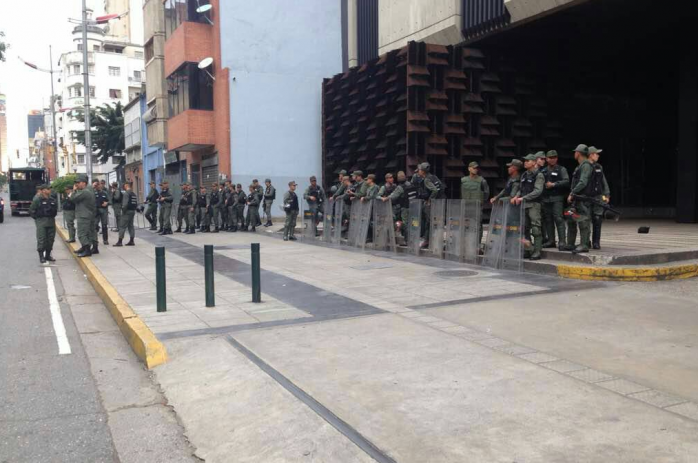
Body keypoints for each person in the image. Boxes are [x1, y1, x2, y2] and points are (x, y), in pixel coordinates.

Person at [512, 154, 545, 260]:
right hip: (524, 205)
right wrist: (517, 196)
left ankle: (537, 251)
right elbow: (520, 189)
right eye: (525, 161)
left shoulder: (538, 175)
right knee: (525, 228)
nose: (525, 162)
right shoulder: (524, 175)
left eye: (528, 161)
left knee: (536, 228)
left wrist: (523, 198)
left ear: (534, 163)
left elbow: (538, 191)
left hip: (534, 205)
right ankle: (527, 250)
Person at [564, 144, 594, 254]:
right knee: (571, 219)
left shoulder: (585, 165)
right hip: (578, 198)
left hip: (583, 198)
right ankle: (570, 243)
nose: (574, 154)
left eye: (575, 152)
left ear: (578, 153)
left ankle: (584, 245)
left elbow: (583, 182)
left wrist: (572, 193)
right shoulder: (581, 166)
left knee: (583, 221)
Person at [541, 150, 570, 250]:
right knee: (548, 220)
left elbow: (566, 181)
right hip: (546, 199)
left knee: (558, 219)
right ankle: (551, 240)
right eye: (550, 157)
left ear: (557, 158)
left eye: (554, 157)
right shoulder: (543, 170)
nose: (552, 159)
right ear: (547, 159)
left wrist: (554, 184)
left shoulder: (561, 169)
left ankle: (562, 241)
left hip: (557, 197)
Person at [28, 184, 58, 264]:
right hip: (41, 222)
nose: (49, 190)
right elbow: (31, 210)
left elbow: (55, 210)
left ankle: (47, 255)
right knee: (42, 239)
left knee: (51, 239)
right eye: (48, 189)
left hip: (51, 221)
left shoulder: (52, 199)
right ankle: (41, 256)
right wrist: (37, 219)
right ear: (44, 190)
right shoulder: (37, 199)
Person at [588, 146, 610, 250]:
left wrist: (607, 195)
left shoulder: (599, 167)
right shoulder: (584, 166)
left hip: (598, 197)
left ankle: (596, 242)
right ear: (591, 154)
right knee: (586, 220)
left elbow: (603, 181)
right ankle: (585, 241)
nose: (598, 155)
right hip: (586, 198)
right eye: (596, 153)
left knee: (597, 219)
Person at [70, 174, 97, 257]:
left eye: (78, 182)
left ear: (84, 183)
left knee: (81, 234)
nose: (76, 184)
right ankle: (85, 248)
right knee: (85, 233)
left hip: (84, 216)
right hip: (85, 215)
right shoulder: (85, 191)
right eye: (76, 183)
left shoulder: (85, 192)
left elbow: (73, 199)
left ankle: (87, 250)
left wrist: (74, 191)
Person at [382, 171, 411, 238]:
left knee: (405, 223)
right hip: (413, 206)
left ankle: (407, 238)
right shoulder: (410, 184)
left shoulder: (400, 187)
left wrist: (386, 198)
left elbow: (393, 196)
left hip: (405, 206)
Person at [114, 182, 137, 246]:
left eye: (124, 186)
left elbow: (125, 204)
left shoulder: (126, 194)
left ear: (126, 186)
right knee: (131, 226)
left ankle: (120, 241)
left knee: (122, 226)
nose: (123, 187)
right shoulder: (133, 194)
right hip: (132, 211)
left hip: (127, 212)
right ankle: (132, 240)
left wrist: (123, 211)